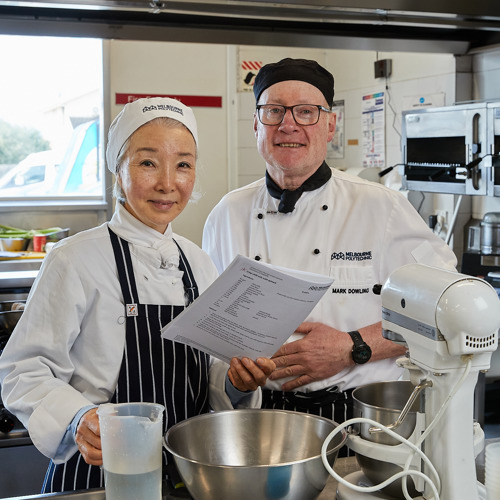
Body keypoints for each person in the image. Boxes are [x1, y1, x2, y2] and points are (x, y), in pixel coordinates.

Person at [0, 97, 274, 494]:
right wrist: (79, 418)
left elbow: (209, 373)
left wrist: (236, 382)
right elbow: (23, 370)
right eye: (147, 162)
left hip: (189, 476)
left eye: (183, 164)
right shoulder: (74, 259)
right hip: (97, 474)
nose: (167, 183)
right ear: (118, 170)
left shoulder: (198, 261)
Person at [202, 58, 457, 429]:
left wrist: (353, 346)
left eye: (306, 112)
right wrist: (234, 379)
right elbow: (210, 336)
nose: (288, 124)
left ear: (330, 124)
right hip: (257, 420)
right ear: (256, 123)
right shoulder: (227, 213)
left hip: (357, 421)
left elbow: (448, 309)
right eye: (274, 111)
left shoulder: (380, 207)